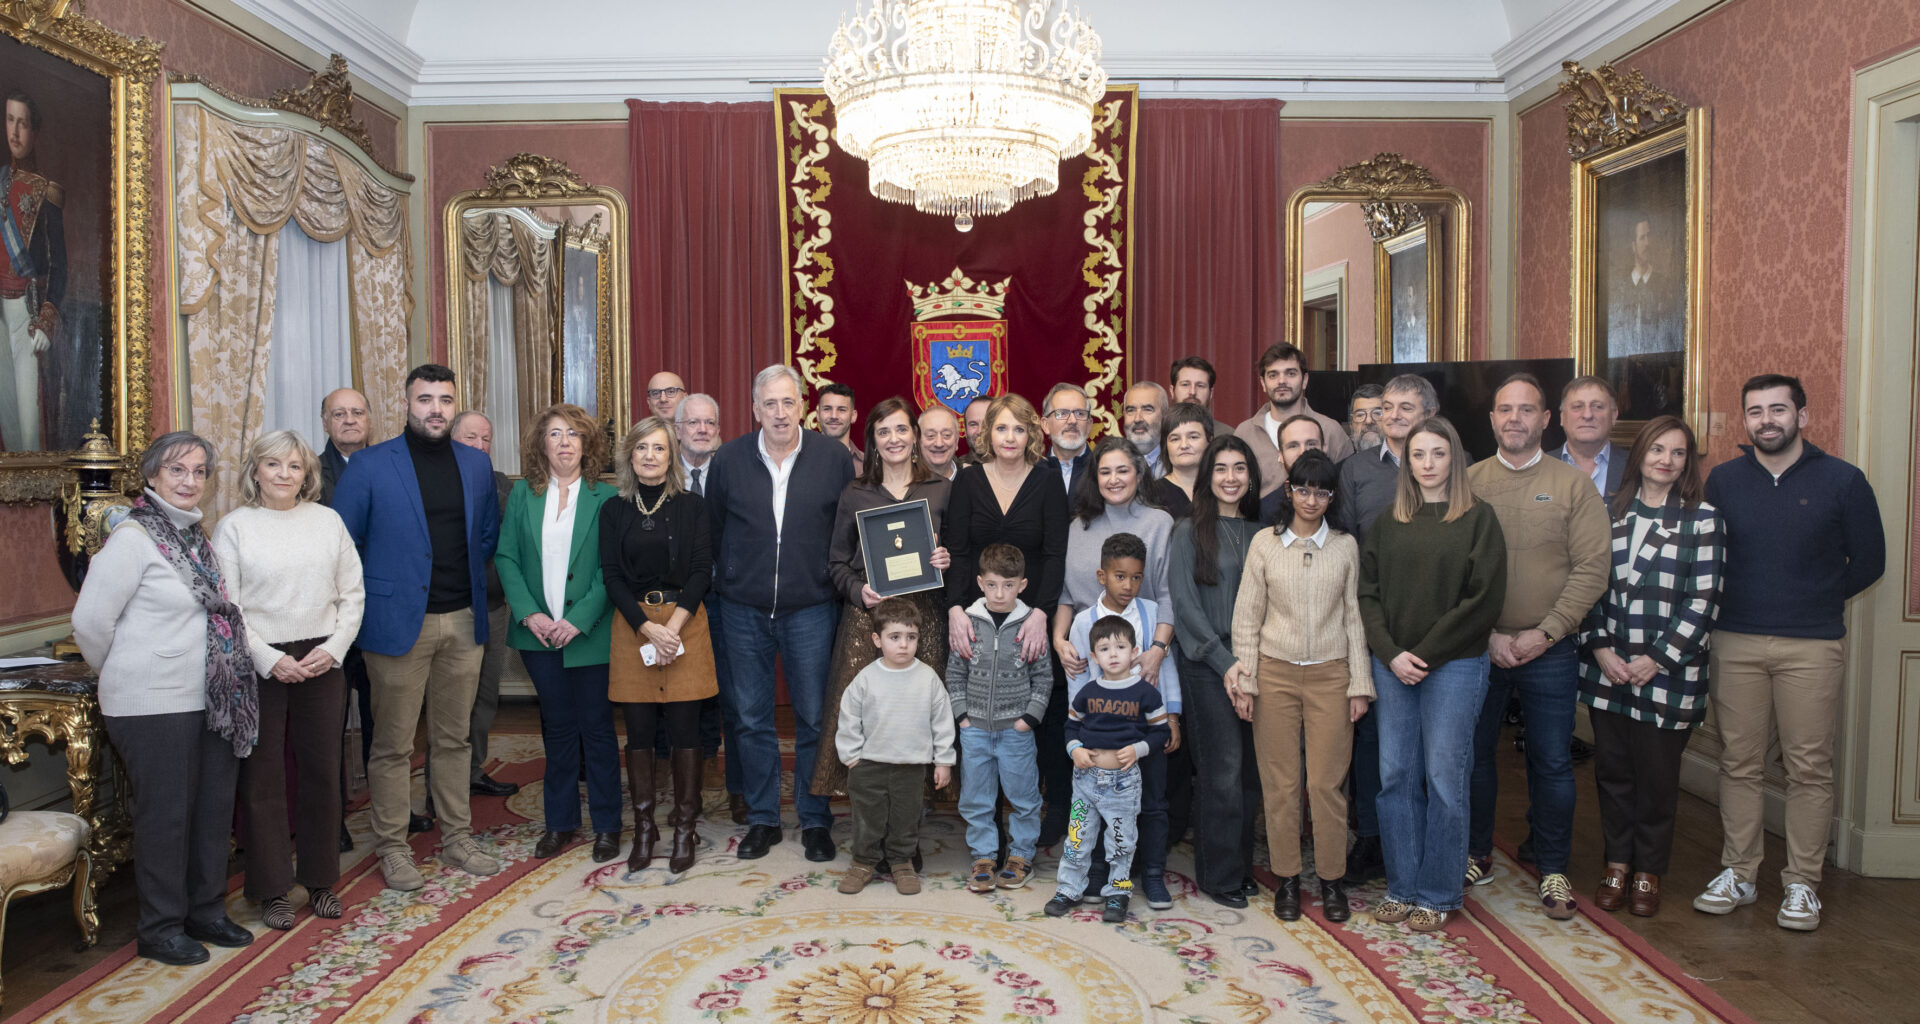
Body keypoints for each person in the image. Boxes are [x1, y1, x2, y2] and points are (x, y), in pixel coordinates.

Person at [1693, 374, 1884, 932]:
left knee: (1808, 768)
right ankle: (1739, 873)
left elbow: (1869, 561)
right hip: (1736, 640)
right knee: (1740, 761)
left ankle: (1802, 883)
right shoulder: (1723, 480)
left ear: (1803, 415)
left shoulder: (1843, 481)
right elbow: (1707, 555)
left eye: (1778, 409)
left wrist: (1814, 599)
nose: (1766, 420)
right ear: (1746, 421)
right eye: (1755, 411)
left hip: (1812, 645)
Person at [73, 431, 257, 965]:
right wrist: (125, 670)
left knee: (210, 810)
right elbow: (89, 623)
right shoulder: (133, 538)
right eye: (177, 470)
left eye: (199, 471)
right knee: (167, 816)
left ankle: (205, 911)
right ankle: (159, 928)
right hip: (151, 702)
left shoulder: (196, 538)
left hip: (212, 696)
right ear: (151, 476)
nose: (189, 481)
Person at [332, 363, 503, 892]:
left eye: (445, 400)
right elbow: (343, 547)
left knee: (454, 740)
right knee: (394, 745)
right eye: (425, 399)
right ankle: (393, 847)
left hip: (464, 619)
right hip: (397, 625)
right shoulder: (370, 465)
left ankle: (457, 837)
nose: (435, 409)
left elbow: (486, 537)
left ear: (455, 405)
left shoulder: (475, 465)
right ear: (406, 404)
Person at [1464, 374, 1611, 919]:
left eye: (1527, 410)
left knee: (1550, 762)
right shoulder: (1469, 482)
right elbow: (1452, 568)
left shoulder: (1574, 486)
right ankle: (1476, 854)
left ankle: (1553, 870)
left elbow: (1594, 567)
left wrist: (1547, 631)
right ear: (1493, 419)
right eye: (1505, 409)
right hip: (1479, 648)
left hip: (1551, 648)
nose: (1515, 419)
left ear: (1546, 419)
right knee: (1474, 757)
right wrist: (1488, 635)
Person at [1358, 416, 1506, 933]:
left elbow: (1483, 600)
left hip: (1455, 666)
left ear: (1455, 458)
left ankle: (1440, 891)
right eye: (1418, 455)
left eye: (1438, 454)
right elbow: (1367, 593)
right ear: (1407, 461)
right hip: (1393, 664)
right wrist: (1391, 652)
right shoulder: (1388, 521)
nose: (1427, 464)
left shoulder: (1478, 518)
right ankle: (1402, 886)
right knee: (1395, 776)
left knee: (1445, 779)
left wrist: (1424, 653)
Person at [214, 430, 364, 932]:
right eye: (273, 464)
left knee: (324, 772)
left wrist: (332, 650)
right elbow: (227, 608)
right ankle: (271, 888)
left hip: (322, 658)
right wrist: (267, 658)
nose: (283, 474)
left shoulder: (328, 522)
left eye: (294, 466)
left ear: (308, 475)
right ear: (254, 470)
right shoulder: (234, 527)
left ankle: (321, 880)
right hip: (259, 661)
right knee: (263, 778)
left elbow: (353, 595)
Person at [706, 364, 855, 861]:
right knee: (750, 719)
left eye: (788, 402)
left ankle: (815, 819)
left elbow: (847, 531)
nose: (779, 413)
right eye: (769, 404)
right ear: (754, 410)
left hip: (810, 608)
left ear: (802, 406)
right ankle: (764, 818)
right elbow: (714, 529)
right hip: (742, 609)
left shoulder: (833, 458)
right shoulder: (727, 460)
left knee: (814, 717)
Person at [1578, 415, 1722, 917]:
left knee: (1657, 781)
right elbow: (1587, 583)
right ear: (1638, 454)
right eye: (1657, 449)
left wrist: (1655, 660)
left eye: (1677, 453)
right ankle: (1616, 864)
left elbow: (1703, 601)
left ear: (1687, 463)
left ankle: (1647, 872)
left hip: (1669, 673)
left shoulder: (1702, 519)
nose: (1666, 460)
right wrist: (1599, 648)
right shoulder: (1606, 512)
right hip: (1608, 668)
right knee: (1613, 775)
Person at [1229, 449, 1370, 923]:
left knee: (1327, 783)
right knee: (1281, 784)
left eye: (1322, 491)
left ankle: (1331, 880)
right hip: (1275, 674)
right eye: (1303, 489)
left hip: (1332, 675)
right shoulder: (1265, 545)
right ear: (1289, 491)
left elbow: (1354, 617)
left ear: (1332, 497)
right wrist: (1245, 681)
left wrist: (1359, 684)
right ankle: (1287, 878)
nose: (1312, 499)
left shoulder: (1346, 547)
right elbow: (1247, 617)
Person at [1054, 437, 1180, 909]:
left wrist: (1158, 650)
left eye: (1123, 470)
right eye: (1105, 471)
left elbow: (1164, 596)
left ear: (1139, 472)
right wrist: (1059, 639)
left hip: (1144, 672)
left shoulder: (1159, 522)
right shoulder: (1078, 526)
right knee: (1095, 797)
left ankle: (1149, 872)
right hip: (1093, 670)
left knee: (1149, 798)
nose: (1114, 479)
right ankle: (1100, 872)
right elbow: (1068, 597)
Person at [496, 404, 619, 863]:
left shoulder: (605, 499)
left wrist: (578, 619)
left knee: (599, 731)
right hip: (538, 639)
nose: (564, 442)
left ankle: (608, 825)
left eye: (573, 434)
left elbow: (612, 569)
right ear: (540, 444)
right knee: (558, 730)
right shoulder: (523, 497)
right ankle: (560, 824)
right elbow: (507, 558)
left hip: (590, 636)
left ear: (587, 444)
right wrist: (530, 615)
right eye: (554, 434)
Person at [943, 393, 1067, 842]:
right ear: (985, 434)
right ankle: (985, 833)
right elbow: (957, 550)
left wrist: (1041, 614)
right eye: (1001, 428)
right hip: (974, 615)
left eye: (1019, 428)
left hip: (1027, 619)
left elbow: (1055, 555)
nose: (1010, 437)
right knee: (977, 728)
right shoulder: (968, 481)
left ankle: (1035, 826)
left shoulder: (1048, 481)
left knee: (1027, 722)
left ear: (1031, 433)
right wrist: (955, 609)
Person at [815, 396, 953, 801]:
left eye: (901, 429)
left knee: (919, 714)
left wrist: (947, 559)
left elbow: (960, 554)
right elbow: (836, 562)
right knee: (866, 714)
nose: (893, 438)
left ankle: (914, 812)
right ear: (872, 441)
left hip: (923, 618)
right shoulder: (856, 492)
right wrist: (859, 591)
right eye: (883, 431)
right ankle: (869, 806)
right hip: (868, 619)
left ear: (915, 436)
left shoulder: (941, 490)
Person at [1331, 372, 1438, 884]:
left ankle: (1434, 849)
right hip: (1374, 627)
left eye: (1404, 408)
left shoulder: (1446, 469)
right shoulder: (1354, 471)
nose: (1391, 416)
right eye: (1386, 407)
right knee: (1375, 743)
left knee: (1436, 748)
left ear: (1428, 416)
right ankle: (1374, 841)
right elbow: (1346, 548)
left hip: (1438, 629)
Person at [602, 416, 718, 874]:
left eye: (660, 449)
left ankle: (685, 829)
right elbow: (610, 576)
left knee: (687, 731)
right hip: (633, 627)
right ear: (630, 456)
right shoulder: (614, 510)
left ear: (672, 457)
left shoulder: (692, 506)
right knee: (640, 734)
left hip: (685, 621)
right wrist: (647, 628)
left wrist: (672, 625)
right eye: (642, 448)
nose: (650, 456)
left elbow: (701, 571)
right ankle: (645, 829)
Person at [1167, 435, 1264, 907]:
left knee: (1250, 775)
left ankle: (1241, 867)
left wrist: (1252, 665)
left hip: (1259, 664)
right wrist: (1227, 665)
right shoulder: (1188, 531)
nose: (1230, 477)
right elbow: (1185, 608)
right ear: (1207, 477)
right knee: (1221, 771)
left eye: (1239, 468)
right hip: (1208, 663)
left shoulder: (1264, 533)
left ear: (1251, 476)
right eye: (1221, 468)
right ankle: (1218, 875)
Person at [1043, 616, 1172, 923]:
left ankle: (1117, 893)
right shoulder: (1087, 692)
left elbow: (1161, 731)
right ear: (1094, 657)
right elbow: (1071, 727)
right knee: (1077, 838)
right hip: (1085, 781)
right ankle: (1069, 888)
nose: (1113, 654)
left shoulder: (1146, 693)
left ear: (1135, 651)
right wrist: (1075, 750)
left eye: (1120, 647)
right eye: (1104, 648)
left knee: (1121, 842)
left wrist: (1139, 749)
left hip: (1123, 784)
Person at [947, 542, 1052, 893]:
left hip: (1016, 732)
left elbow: (1044, 678)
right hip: (974, 730)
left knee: (1024, 797)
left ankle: (1021, 855)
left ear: (1022, 585)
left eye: (1008, 585)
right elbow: (954, 674)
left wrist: (1028, 720)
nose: (999, 593)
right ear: (980, 582)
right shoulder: (969, 621)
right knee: (976, 798)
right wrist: (962, 717)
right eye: (992, 584)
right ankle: (983, 856)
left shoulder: (1029, 624)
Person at [833, 598, 957, 895]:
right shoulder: (866, 678)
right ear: (877, 640)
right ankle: (863, 861)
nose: (903, 645)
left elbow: (942, 721)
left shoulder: (927, 678)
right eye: (895, 637)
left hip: (911, 766)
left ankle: (902, 861)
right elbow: (849, 717)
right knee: (868, 817)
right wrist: (851, 756)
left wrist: (943, 761)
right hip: (868, 765)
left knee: (906, 817)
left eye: (911, 637)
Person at [450, 411, 519, 802]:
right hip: (451, 610)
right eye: (471, 437)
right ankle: (441, 788)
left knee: (485, 696)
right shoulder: (437, 483)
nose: (479, 446)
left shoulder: (501, 485)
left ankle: (473, 771)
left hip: (492, 606)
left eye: (486, 439)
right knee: (451, 701)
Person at [672, 393, 729, 802]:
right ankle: (667, 758)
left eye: (709, 423)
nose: (702, 430)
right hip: (673, 600)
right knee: (673, 680)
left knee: (720, 682)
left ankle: (710, 754)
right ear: (678, 430)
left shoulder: (732, 471)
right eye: (693, 423)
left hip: (724, 596)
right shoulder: (660, 469)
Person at [0, 90, 62, 452]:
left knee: (27, 416)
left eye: (23, 122)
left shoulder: (47, 192)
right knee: (4, 405)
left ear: (34, 131)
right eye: (10, 120)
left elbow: (60, 266)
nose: (15, 130)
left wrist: (48, 317)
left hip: (26, 309)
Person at [1234, 342, 1354, 498]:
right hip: (1259, 522)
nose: (1281, 381)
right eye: (1273, 375)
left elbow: (1347, 490)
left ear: (1304, 380)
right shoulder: (1245, 433)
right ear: (1263, 383)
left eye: (1290, 373)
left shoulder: (1330, 430)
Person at [1555, 375, 1628, 500]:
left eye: (1598, 406)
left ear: (1614, 416)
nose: (1587, 415)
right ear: (1562, 417)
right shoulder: (1537, 468)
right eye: (1577, 407)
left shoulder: (1635, 467)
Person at [1143, 402, 1212, 519]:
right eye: (1175, 439)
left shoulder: (1222, 489)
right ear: (1165, 445)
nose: (1184, 445)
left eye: (1193, 437)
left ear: (1210, 440)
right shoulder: (1151, 496)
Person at [1256, 414, 1327, 524]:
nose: (1303, 452)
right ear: (1281, 455)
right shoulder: (1266, 509)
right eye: (1293, 446)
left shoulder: (1344, 498)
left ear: (1324, 449)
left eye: (1311, 443)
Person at [318, 388, 371, 504]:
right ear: (325, 424)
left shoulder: (389, 467)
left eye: (357, 413)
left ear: (369, 421)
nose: (349, 420)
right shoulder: (311, 473)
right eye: (339, 414)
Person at [1040, 383, 1092, 496]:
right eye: (1062, 413)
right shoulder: (1031, 473)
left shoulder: (1104, 471)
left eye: (1080, 413)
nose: (1072, 421)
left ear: (1089, 425)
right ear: (1045, 425)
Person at [1169, 356, 1234, 438]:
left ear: (1211, 393)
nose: (1192, 392)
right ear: (1172, 391)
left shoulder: (1227, 436)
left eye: (1200, 386)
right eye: (1185, 384)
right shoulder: (1157, 434)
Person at [1120, 381, 1168, 472]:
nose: (1138, 419)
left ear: (1164, 415)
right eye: (1131, 410)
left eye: (1147, 410)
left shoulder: (1178, 465)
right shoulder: (1109, 464)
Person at [818, 382, 862, 465]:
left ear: (853, 416)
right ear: (817, 414)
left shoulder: (868, 467)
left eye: (841, 410)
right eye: (827, 409)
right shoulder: (798, 460)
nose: (834, 416)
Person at [918, 403, 962, 481]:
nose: (939, 444)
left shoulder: (972, 480)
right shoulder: (904, 483)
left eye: (946, 435)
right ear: (918, 440)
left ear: (956, 441)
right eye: (930, 435)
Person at [1347, 383, 1386, 451]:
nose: (1368, 421)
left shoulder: (1407, 461)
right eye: (1360, 415)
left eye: (1377, 413)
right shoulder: (1347, 462)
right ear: (1351, 425)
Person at [962, 395, 992, 464]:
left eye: (987, 423)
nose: (980, 431)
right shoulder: (955, 471)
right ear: (965, 431)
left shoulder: (1018, 467)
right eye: (973, 424)